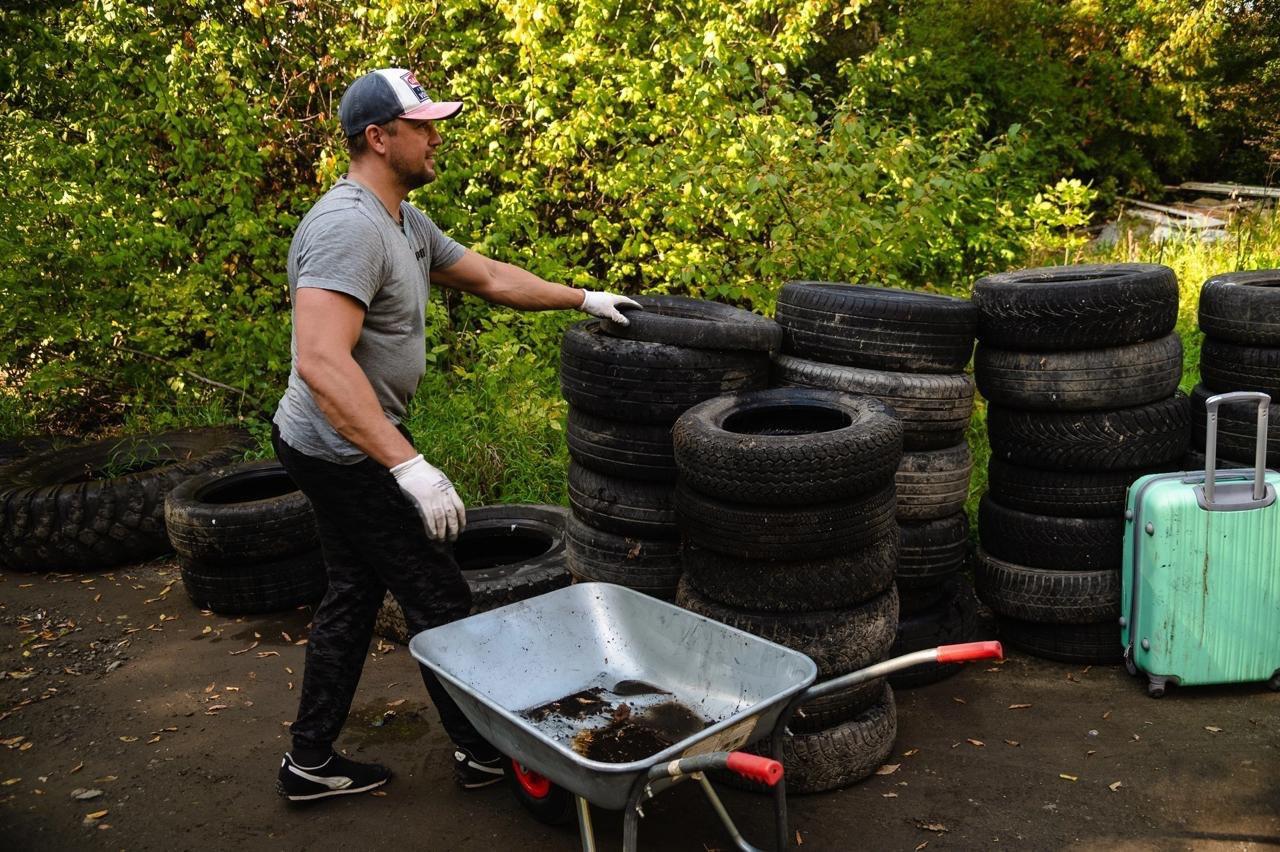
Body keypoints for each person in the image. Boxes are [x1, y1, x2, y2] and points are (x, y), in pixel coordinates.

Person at [271, 67, 639, 802]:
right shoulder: (348, 226)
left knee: (353, 589)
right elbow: (319, 360)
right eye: (423, 125)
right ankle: (481, 752)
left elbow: (491, 277)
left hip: (347, 440)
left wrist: (584, 297)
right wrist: (407, 467)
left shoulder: (402, 218)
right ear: (379, 137)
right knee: (438, 594)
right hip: (341, 447)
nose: (437, 137)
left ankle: (310, 761)